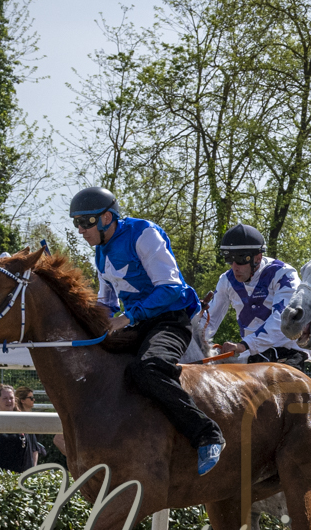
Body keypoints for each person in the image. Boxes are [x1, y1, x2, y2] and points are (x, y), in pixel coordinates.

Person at [70, 186, 225, 476]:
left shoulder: (144, 234)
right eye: (75, 223)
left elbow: (170, 289)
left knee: (148, 368)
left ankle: (207, 434)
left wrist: (128, 317)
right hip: (138, 323)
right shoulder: (101, 254)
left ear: (106, 218)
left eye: (85, 222)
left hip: (171, 320)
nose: (80, 230)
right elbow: (106, 303)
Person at [197, 222, 311, 368]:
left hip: (290, 352)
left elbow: (282, 321)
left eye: (240, 258)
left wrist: (244, 345)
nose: (234, 266)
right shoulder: (226, 280)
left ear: (258, 258)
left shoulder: (284, 274)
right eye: (229, 258)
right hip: (253, 354)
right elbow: (209, 321)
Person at [0, 383, 38, 472]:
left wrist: (32, 472)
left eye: (11, 398)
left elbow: (34, 449)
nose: (9, 401)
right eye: (5, 398)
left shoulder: (24, 421)